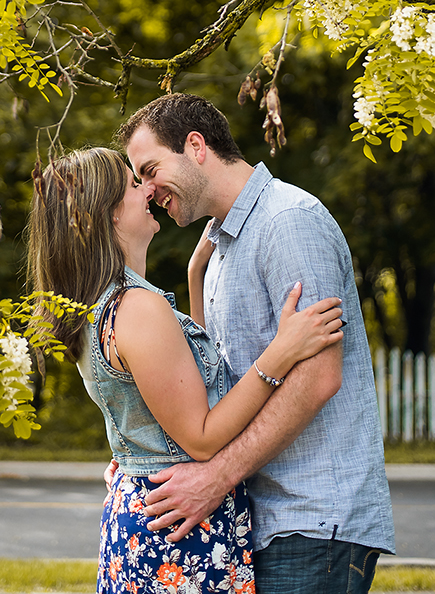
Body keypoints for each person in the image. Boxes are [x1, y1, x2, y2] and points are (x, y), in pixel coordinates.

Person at [27, 145, 344, 594]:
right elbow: (200, 435)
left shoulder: (99, 307)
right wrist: (279, 354)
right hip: (181, 533)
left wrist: (198, 269)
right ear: (109, 215)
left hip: (149, 516)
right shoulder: (137, 308)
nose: (149, 190)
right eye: (134, 184)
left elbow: (194, 378)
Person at [116, 94, 396, 594]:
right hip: (263, 521)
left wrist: (216, 476)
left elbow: (318, 377)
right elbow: (221, 380)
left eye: (151, 169)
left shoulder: (288, 221)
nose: (148, 189)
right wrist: (196, 271)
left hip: (311, 520)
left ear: (196, 146)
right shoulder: (223, 243)